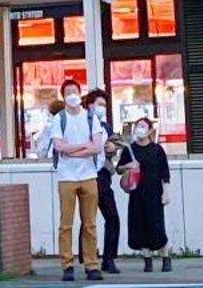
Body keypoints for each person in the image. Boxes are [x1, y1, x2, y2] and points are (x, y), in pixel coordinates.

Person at [37, 78, 105, 284]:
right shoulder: (59, 119)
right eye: (68, 92)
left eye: (75, 91)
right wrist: (82, 148)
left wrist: (72, 150)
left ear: (80, 92)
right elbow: (58, 147)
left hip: (89, 175)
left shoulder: (90, 118)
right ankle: (67, 264)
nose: (72, 95)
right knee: (66, 224)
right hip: (66, 177)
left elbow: (98, 146)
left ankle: (91, 265)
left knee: (90, 223)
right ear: (63, 96)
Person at [116, 117, 171, 271]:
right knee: (139, 227)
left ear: (150, 130)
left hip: (154, 193)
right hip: (136, 194)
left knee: (157, 226)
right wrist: (129, 165)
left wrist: (166, 192)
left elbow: (165, 173)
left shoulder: (157, 150)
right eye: (137, 126)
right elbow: (119, 169)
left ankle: (166, 257)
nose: (139, 129)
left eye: (142, 126)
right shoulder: (129, 149)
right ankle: (147, 259)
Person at [84, 92, 121, 276]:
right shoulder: (83, 123)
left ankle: (109, 258)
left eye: (104, 105)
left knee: (112, 216)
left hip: (103, 175)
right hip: (87, 175)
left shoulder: (106, 126)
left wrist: (113, 148)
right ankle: (87, 259)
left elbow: (116, 144)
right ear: (89, 105)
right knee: (88, 219)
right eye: (99, 104)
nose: (102, 108)